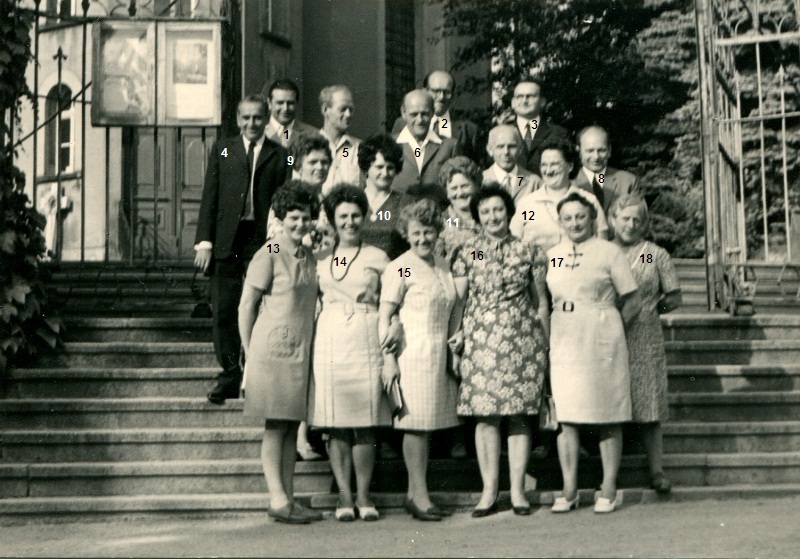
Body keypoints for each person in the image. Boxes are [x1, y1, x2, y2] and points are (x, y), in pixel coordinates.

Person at [452, 184, 550, 518]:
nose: (493, 216)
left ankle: (519, 491)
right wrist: (456, 339)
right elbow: (460, 300)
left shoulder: (529, 251)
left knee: (519, 416)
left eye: (498, 210)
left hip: (522, 341)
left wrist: (545, 343)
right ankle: (489, 491)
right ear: (478, 217)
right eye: (486, 212)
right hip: (481, 341)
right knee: (486, 416)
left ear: (508, 212)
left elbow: (541, 302)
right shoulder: (469, 252)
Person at [545, 191, 642, 514]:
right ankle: (570, 489)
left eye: (580, 217)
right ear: (560, 222)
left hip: (601, 335)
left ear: (592, 218)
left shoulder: (609, 251)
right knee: (567, 417)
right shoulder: (553, 254)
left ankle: (608, 488)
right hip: (564, 336)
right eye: (568, 218)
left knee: (608, 413)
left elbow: (632, 300)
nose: (574, 223)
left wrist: (612, 329)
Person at [309, 185, 396, 522]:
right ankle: (343, 496)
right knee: (336, 424)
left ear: (365, 216)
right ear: (332, 219)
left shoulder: (380, 257)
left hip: (365, 336)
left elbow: (395, 293)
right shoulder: (319, 256)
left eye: (355, 215)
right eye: (342, 216)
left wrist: (396, 325)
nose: (350, 222)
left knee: (364, 424)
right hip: (329, 338)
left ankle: (363, 495)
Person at [195, 94, 289, 406]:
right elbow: (210, 194)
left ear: (266, 119)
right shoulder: (223, 147)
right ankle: (229, 374)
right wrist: (204, 241)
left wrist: (278, 242)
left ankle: (255, 372)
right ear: (238, 119)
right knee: (224, 307)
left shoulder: (280, 154)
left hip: (260, 239)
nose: (252, 124)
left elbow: (284, 201)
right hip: (226, 239)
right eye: (246, 118)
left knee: (258, 306)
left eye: (258, 118)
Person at [238, 182, 322, 525]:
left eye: (305, 217)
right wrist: (246, 351)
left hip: (298, 351)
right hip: (271, 352)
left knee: (290, 425)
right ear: (281, 218)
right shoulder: (269, 252)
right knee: (276, 426)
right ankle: (277, 498)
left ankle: (287, 497)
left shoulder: (307, 254)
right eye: (293, 218)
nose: (300, 223)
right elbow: (246, 305)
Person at [379, 198, 463, 521]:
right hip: (411, 353)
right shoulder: (400, 265)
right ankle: (419, 495)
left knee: (426, 426)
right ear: (406, 232)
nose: (423, 239)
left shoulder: (443, 265)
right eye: (417, 233)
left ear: (437, 232)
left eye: (429, 232)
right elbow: (385, 316)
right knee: (414, 426)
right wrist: (389, 360)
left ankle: (416, 493)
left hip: (438, 353)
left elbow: (452, 308)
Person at [609, 194, 682, 495]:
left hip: (643, 334)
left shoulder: (652, 254)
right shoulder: (601, 251)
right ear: (613, 219)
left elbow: (674, 298)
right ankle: (607, 474)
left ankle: (656, 470)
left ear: (646, 223)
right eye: (625, 218)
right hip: (606, 332)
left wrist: (651, 311)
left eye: (637, 219)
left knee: (648, 400)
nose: (631, 224)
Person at [510, 142, 608, 254]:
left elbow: (602, 247)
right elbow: (514, 242)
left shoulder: (589, 201)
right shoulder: (527, 204)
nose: (549, 170)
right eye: (544, 165)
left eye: (555, 164)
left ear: (570, 166)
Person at [391, 70, 482, 165]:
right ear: (425, 91)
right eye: (436, 91)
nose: (441, 97)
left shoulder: (468, 130)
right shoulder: (402, 124)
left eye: (447, 92)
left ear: (453, 95)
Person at [392, 89, 461, 195]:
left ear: (433, 112)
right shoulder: (389, 144)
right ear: (403, 113)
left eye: (425, 114)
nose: (420, 120)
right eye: (414, 114)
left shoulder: (450, 146)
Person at [358, 133, 413, 260]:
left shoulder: (406, 203)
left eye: (390, 168)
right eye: (379, 167)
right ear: (366, 167)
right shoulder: (353, 201)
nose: (385, 173)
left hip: (393, 272)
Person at [574, 125, 640, 218]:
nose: (596, 157)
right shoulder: (570, 183)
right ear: (579, 151)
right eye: (590, 151)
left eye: (601, 150)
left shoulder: (628, 181)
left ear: (609, 150)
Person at [510, 79, 569, 174]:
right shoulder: (502, 133)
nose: (525, 101)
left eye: (531, 96)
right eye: (520, 96)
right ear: (513, 102)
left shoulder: (559, 133)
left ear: (542, 102)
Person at [438, 156, 482, 263]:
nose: (460, 193)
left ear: (476, 186)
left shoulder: (488, 217)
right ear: (447, 192)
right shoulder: (440, 223)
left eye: (464, 186)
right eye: (454, 188)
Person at [319, 85, 362, 194]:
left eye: (351, 109)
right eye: (342, 109)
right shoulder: (308, 146)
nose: (348, 114)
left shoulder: (360, 149)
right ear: (325, 110)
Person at [483, 124, 541, 204]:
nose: (506, 152)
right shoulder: (481, 180)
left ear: (520, 149)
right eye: (500, 146)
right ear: (490, 149)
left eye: (511, 146)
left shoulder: (534, 182)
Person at [263, 79, 318, 148]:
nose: (285, 108)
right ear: (269, 103)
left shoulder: (313, 134)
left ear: (297, 104)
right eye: (280, 103)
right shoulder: (259, 133)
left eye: (290, 103)